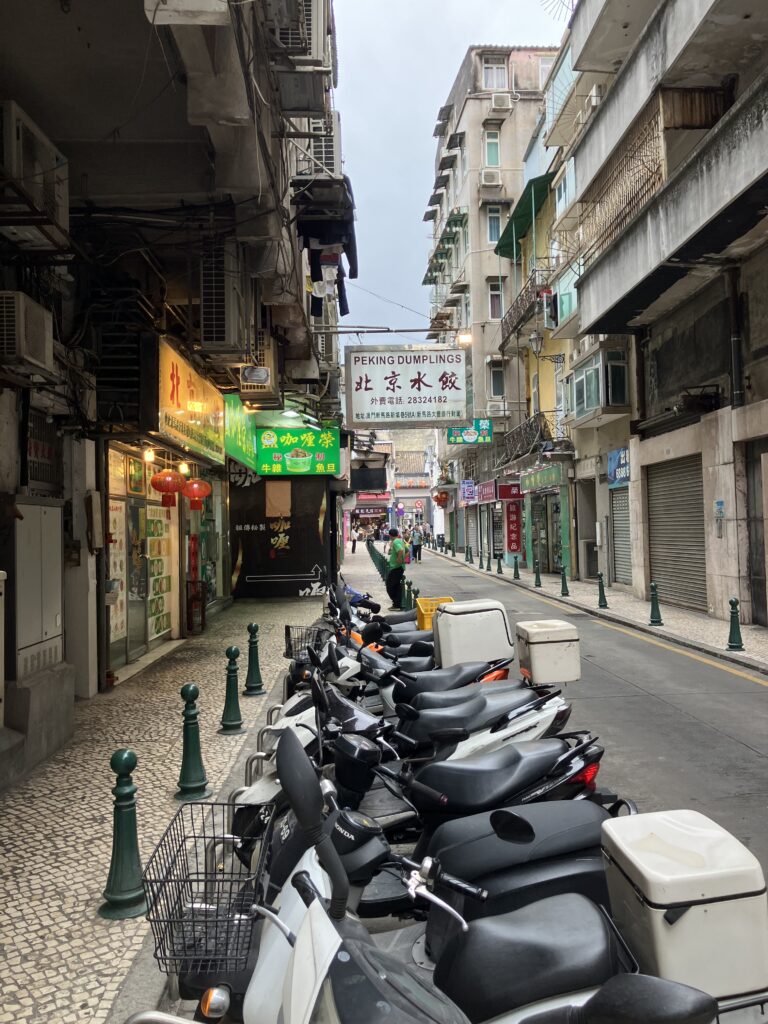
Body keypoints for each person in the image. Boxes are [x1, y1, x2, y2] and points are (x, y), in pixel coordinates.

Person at [385, 527, 407, 609]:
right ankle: (397, 604)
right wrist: (403, 559)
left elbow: (401, 550)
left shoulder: (395, 542)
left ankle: (396, 604)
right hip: (399, 567)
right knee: (397, 586)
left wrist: (399, 560)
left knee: (389, 586)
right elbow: (407, 550)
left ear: (390, 535)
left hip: (396, 567)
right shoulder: (400, 541)